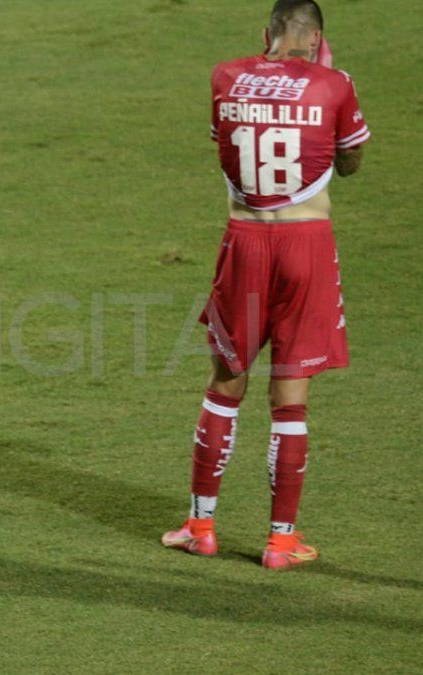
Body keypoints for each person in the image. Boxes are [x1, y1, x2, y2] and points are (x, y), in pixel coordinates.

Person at [161, 0, 369, 570]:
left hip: (246, 242)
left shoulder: (226, 76)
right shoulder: (334, 83)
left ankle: (200, 526)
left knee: (225, 384)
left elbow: (228, 141)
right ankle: (281, 542)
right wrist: (326, 83)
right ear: (318, 38)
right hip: (308, 245)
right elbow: (349, 162)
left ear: (266, 34)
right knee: (291, 396)